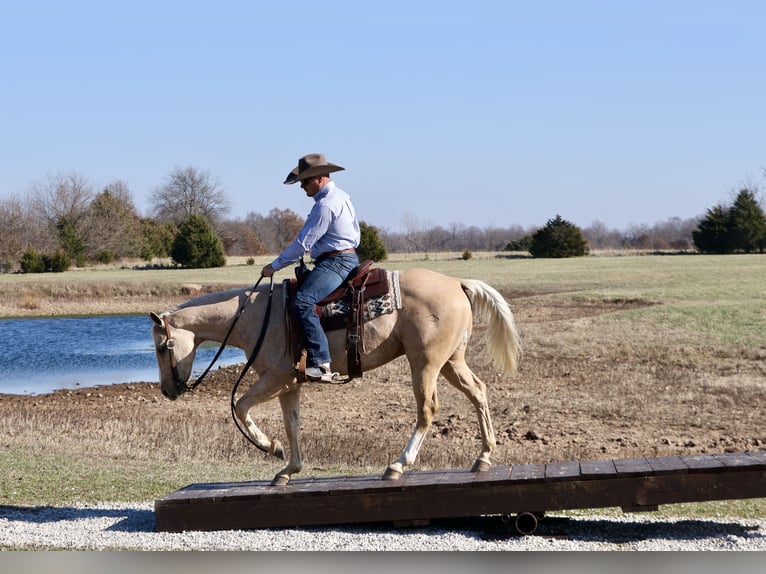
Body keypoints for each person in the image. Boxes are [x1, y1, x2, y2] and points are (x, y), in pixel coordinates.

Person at [261, 153, 360, 382]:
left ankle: (321, 363)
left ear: (319, 178)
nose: (302, 187)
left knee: (303, 301)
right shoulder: (339, 196)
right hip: (341, 258)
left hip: (337, 261)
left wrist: (274, 266)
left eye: (304, 181)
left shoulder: (326, 205)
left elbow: (303, 244)